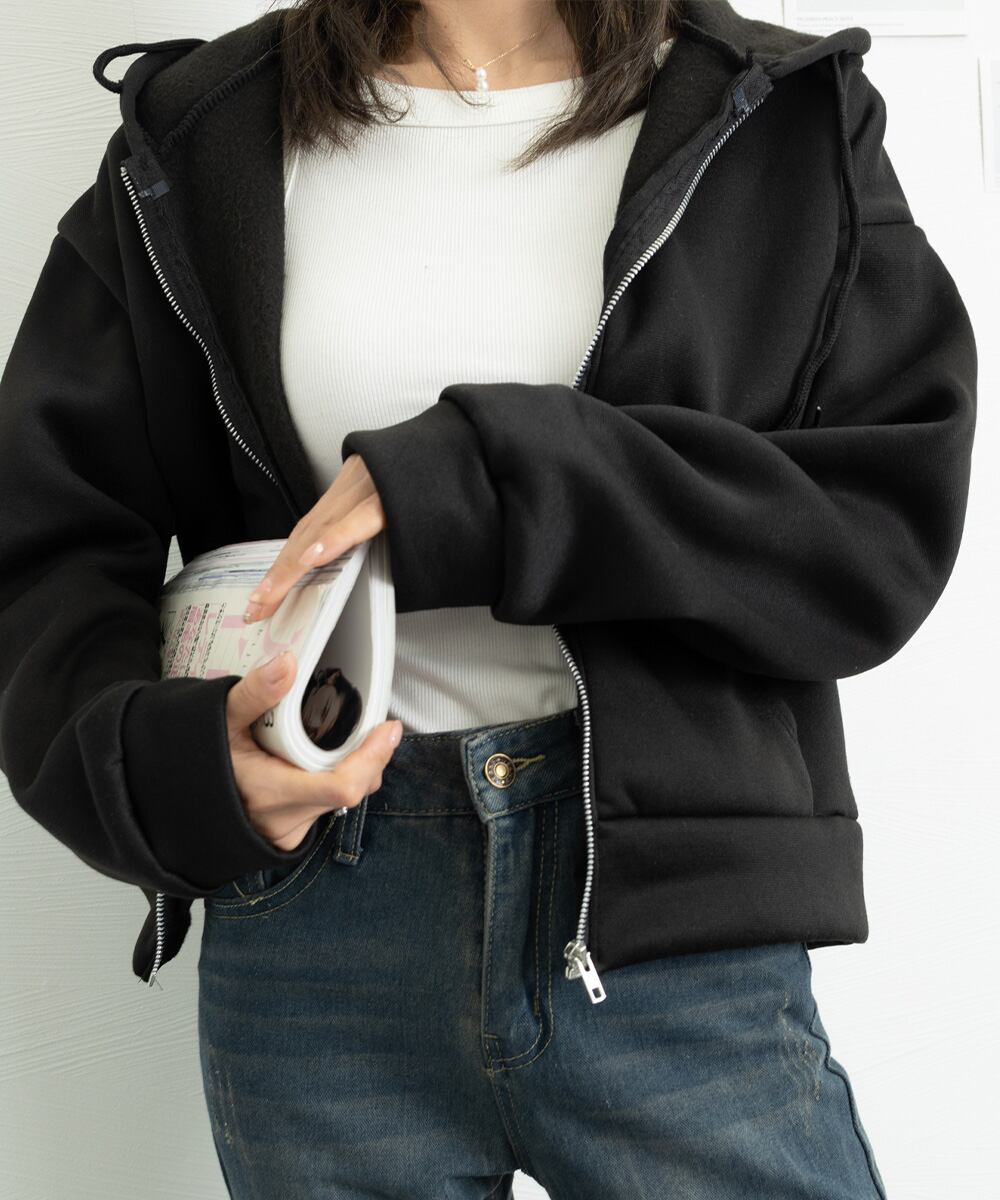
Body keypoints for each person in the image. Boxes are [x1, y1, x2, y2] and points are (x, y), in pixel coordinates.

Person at [0, 1, 976, 1196]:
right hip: (314, 930)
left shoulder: (776, 114)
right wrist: (174, 770)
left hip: (666, 914)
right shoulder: (202, 130)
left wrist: (481, 482)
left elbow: (870, 533)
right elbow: (43, 547)